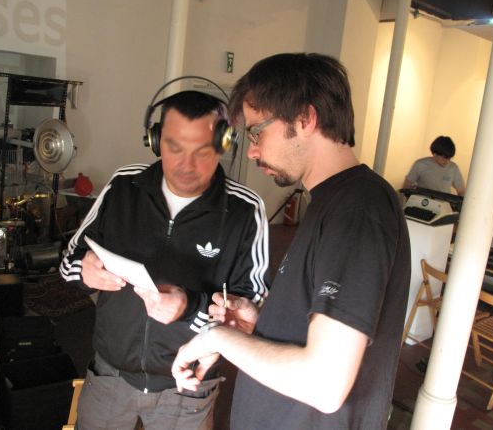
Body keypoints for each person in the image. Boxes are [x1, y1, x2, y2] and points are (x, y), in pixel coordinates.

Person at [172, 53, 411, 430]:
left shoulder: (358, 210)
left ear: (305, 119)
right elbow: (318, 326)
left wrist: (216, 338)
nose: (252, 151)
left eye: (257, 132)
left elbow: (325, 384)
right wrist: (262, 325)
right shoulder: (330, 203)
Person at [59, 89, 269, 430]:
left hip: (187, 385)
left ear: (224, 145)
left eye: (202, 151)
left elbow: (250, 310)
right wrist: (84, 271)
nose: (187, 165)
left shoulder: (245, 210)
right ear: (155, 141)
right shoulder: (123, 186)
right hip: (109, 377)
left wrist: (189, 307)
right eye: (174, 148)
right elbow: (69, 258)